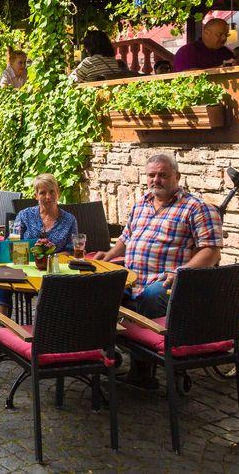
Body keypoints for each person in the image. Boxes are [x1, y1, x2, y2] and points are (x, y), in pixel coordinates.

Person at [93, 153, 222, 388]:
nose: (156, 180)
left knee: (150, 297)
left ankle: (143, 372)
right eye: (152, 175)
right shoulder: (142, 202)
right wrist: (109, 256)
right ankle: (100, 358)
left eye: (163, 175)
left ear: (177, 177)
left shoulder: (196, 208)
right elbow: (126, 237)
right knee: (97, 291)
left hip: (166, 283)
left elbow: (211, 251)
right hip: (132, 277)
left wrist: (182, 272)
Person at [0, 174, 77, 320]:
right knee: (1, 276)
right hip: (25, 268)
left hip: (54, 271)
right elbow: (11, 242)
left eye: (51, 192)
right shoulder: (24, 215)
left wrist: (53, 257)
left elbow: (70, 250)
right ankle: (0, 325)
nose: (48, 196)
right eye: (42, 192)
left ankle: (47, 327)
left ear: (58, 193)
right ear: (36, 195)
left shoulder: (69, 220)